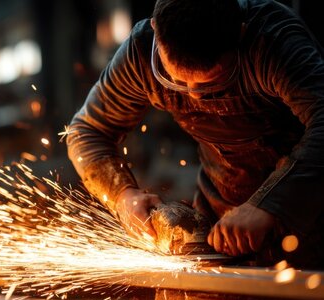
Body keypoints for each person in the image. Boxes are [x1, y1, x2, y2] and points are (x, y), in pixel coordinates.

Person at [67, 0, 324, 268]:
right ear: (156, 29)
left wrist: (271, 205)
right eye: (176, 80)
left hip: (310, 220)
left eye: (212, 82)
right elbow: (87, 131)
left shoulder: (274, 42)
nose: (194, 94)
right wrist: (123, 195)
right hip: (218, 226)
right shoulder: (142, 52)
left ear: (240, 34)